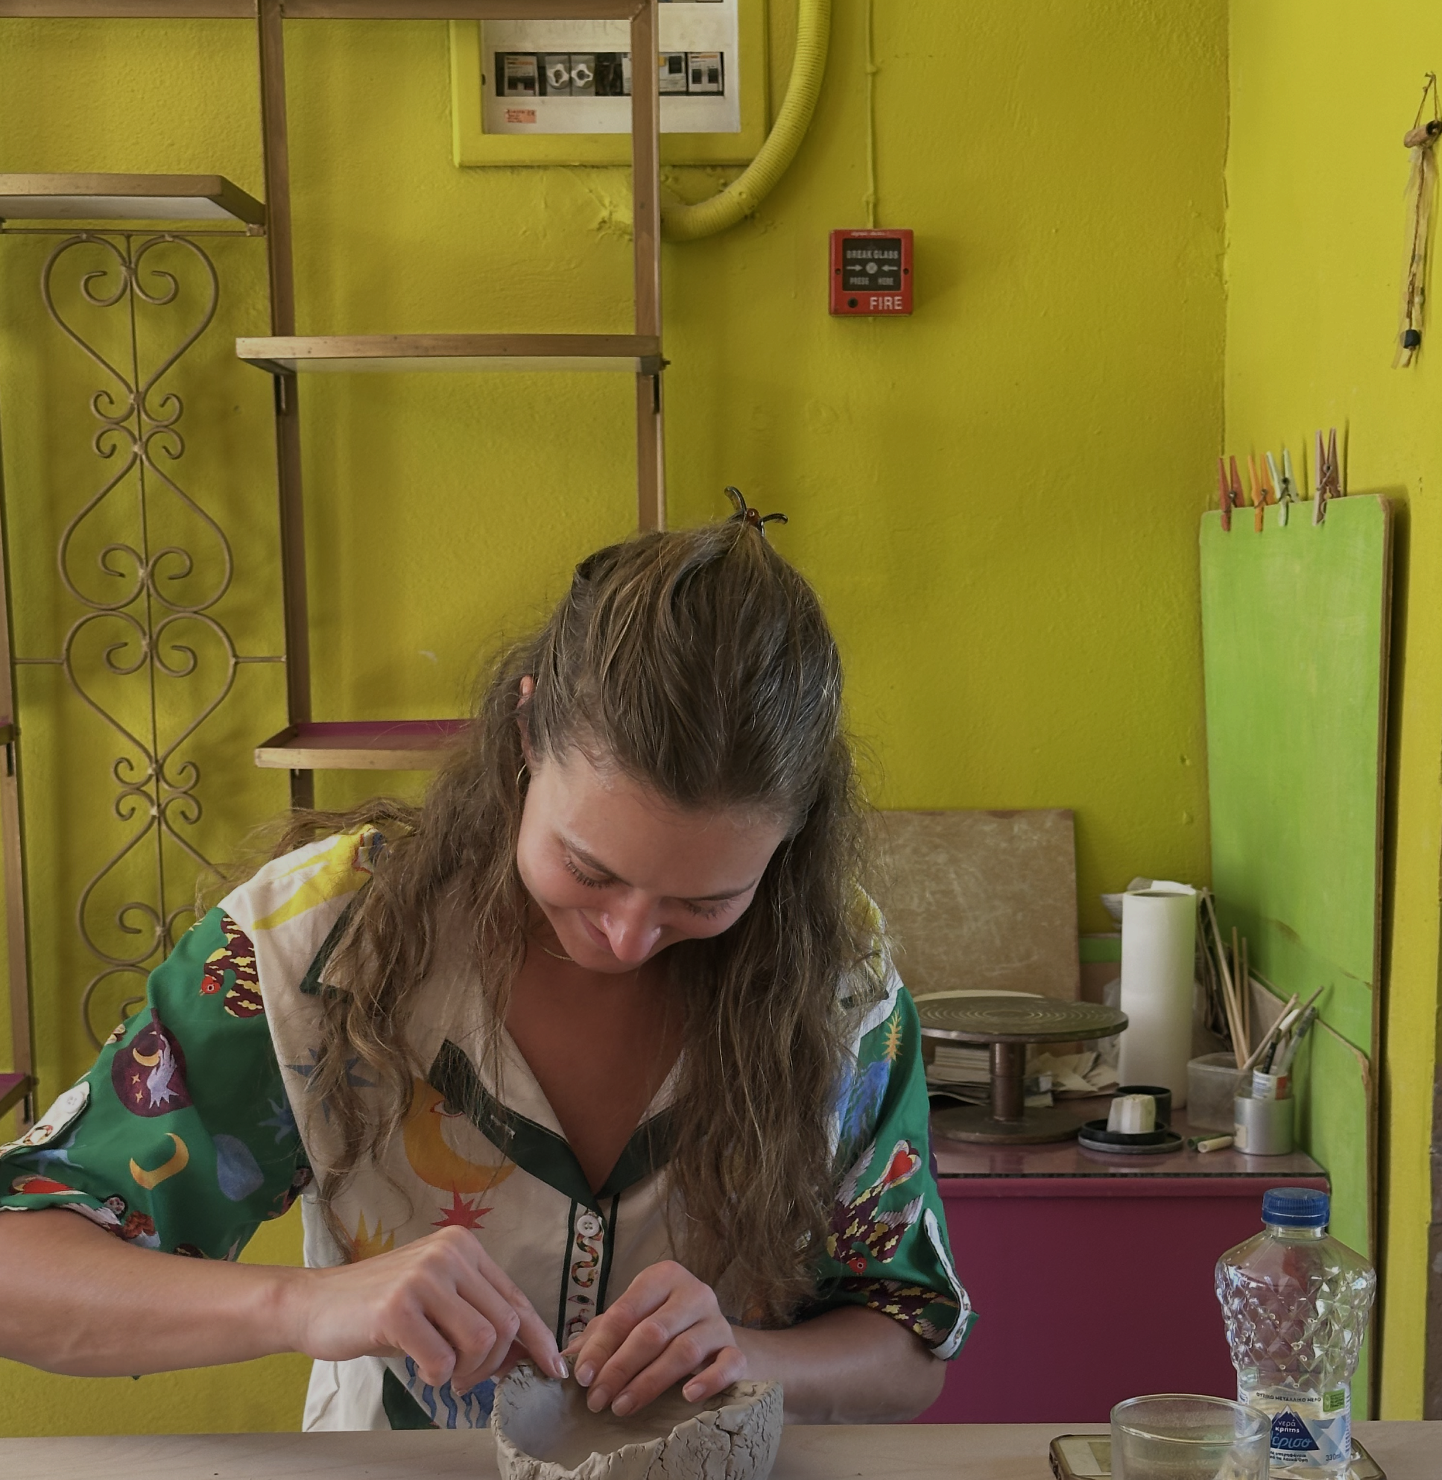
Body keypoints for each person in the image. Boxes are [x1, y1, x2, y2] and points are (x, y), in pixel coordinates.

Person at [0, 498, 973, 1430]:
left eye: (701, 902)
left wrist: (750, 1359)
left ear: (791, 837)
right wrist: (302, 1305)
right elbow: (19, 1267)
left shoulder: (832, 974)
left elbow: (906, 1342)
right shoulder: (318, 941)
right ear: (524, 732)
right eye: (586, 870)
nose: (628, 939)